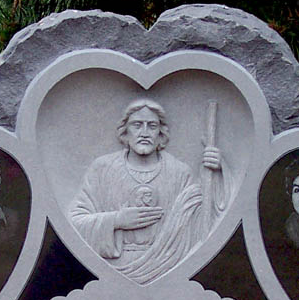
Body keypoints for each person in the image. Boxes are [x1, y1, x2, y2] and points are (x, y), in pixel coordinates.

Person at [68, 99, 227, 284]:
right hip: (114, 270)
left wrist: (217, 172)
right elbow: (75, 225)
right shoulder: (103, 169)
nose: (144, 133)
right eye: (137, 125)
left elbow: (202, 224)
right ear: (125, 132)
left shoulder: (179, 172)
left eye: (152, 126)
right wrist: (117, 220)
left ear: (161, 134)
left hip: (168, 266)